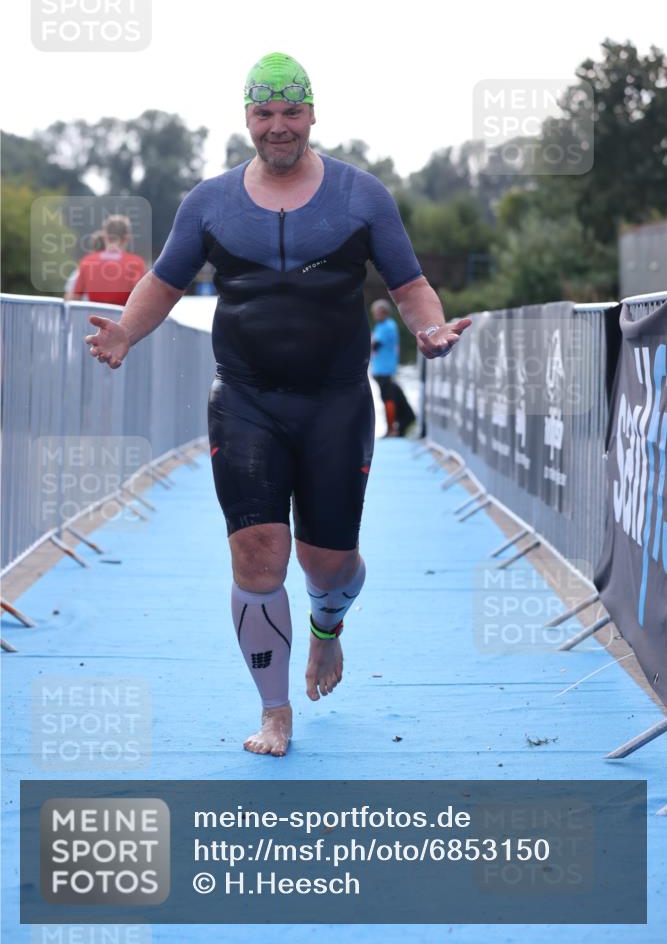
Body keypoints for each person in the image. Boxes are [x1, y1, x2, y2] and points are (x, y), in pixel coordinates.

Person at [83, 52, 472, 757]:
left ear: (313, 113)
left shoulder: (361, 196)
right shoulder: (209, 201)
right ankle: (274, 712)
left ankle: (328, 624)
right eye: (264, 113)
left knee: (328, 564)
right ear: (246, 119)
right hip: (246, 400)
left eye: (291, 111)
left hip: (335, 403)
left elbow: (408, 281)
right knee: (258, 558)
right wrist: (126, 333)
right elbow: (165, 282)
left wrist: (428, 327)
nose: (278, 127)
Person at [66, 216, 144, 306]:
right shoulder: (136, 263)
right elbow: (139, 300)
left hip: (93, 319)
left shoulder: (87, 261)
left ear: (104, 236)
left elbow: (74, 299)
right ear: (127, 238)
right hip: (121, 319)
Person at [370, 298, 416, 436]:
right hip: (378, 368)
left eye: (377, 312)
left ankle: (391, 428)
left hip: (386, 369)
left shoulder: (388, 326)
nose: (375, 315)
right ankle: (397, 424)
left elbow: (375, 344)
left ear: (384, 312)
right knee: (388, 397)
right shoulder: (379, 326)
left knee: (388, 398)